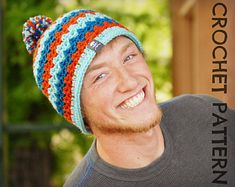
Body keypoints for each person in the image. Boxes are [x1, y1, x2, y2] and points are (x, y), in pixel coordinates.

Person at [22, 9, 235, 187]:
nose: (130, 82)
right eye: (100, 76)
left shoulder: (205, 113)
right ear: (79, 111)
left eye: (129, 57)